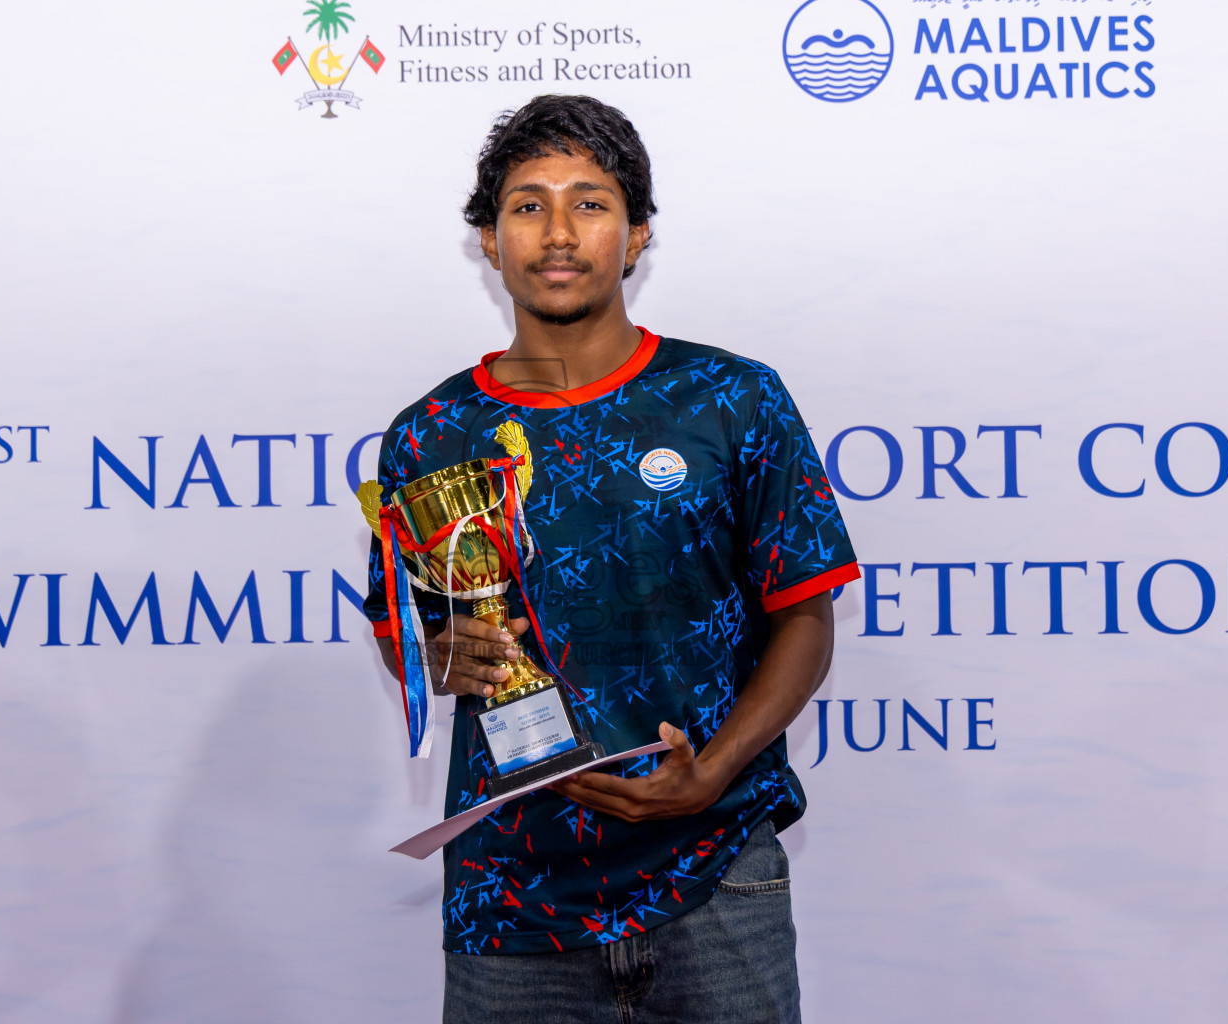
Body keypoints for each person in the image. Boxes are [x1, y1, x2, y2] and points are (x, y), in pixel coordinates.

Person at [363, 94, 859, 1024]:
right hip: (509, 893)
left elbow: (805, 617)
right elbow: (417, 636)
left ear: (636, 237)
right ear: (487, 239)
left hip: (715, 872)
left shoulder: (730, 398)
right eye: (528, 204)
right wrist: (442, 655)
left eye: (590, 203)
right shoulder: (429, 436)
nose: (558, 232)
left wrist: (714, 769)